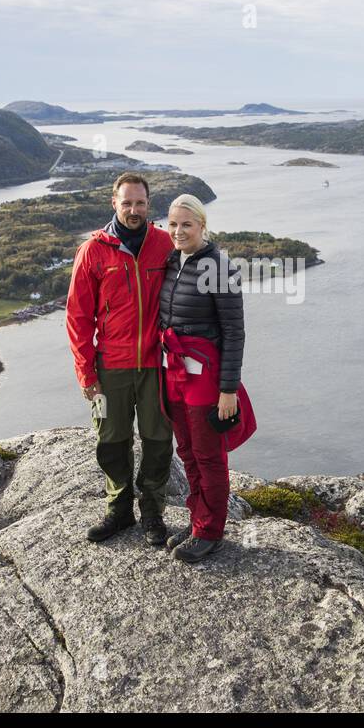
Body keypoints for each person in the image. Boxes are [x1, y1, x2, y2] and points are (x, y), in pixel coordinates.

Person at [65, 173, 175, 546]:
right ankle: (120, 508)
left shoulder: (164, 244)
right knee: (110, 440)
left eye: (140, 203)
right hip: (109, 366)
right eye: (126, 203)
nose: (133, 210)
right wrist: (85, 373)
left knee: (159, 439)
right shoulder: (93, 250)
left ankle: (152, 510)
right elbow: (77, 318)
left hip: (156, 365)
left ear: (149, 204)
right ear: (114, 203)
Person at [158, 194, 245, 563]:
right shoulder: (173, 261)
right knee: (187, 451)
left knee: (209, 457)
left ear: (202, 226)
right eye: (173, 224)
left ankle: (211, 531)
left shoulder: (218, 267)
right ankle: (198, 521)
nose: (178, 231)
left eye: (186, 225)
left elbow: (234, 332)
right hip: (175, 372)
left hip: (205, 377)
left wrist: (228, 390)